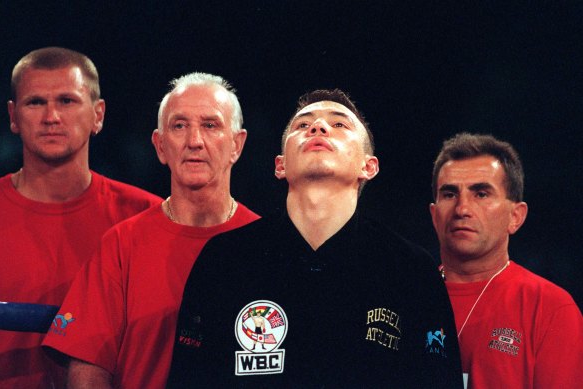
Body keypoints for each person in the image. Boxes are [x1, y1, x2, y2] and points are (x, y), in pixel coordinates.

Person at [168, 89, 463, 388]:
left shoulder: (411, 271)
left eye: (339, 125)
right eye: (302, 125)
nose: (318, 128)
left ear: (368, 166)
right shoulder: (224, 260)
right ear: (280, 166)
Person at [41, 72, 260, 389]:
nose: (194, 141)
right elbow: (87, 370)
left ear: (237, 145)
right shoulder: (122, 243)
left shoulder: (267, 244)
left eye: (210, 125)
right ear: (160, 146)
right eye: (179, 126)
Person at [0, 47, 161, 389]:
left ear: (98, 114)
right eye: (35, 102)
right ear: (13, 116)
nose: (51, 117)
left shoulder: (147, 217)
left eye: (67, 101)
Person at [429, 133, 583, 388]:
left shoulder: (551, 309)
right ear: (434, 215)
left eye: (481, 193)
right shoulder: (407, 297)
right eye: (449, 194)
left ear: (516, 216)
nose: (462, 209)